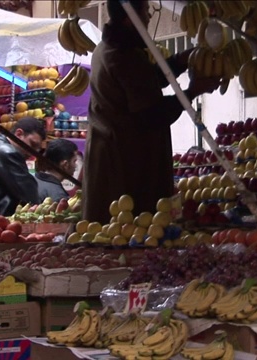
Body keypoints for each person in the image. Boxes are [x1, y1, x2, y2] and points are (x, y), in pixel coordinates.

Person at [82, 0, 221, 223]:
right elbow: (152, 115)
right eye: (145, 11)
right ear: (130, 18)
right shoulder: (121, 56)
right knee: (126, 232)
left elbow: (146, 81)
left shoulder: (109, 49)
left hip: (113, 157)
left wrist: (179, 61)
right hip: (126, 166)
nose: (149, 17)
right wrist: (192, 91)